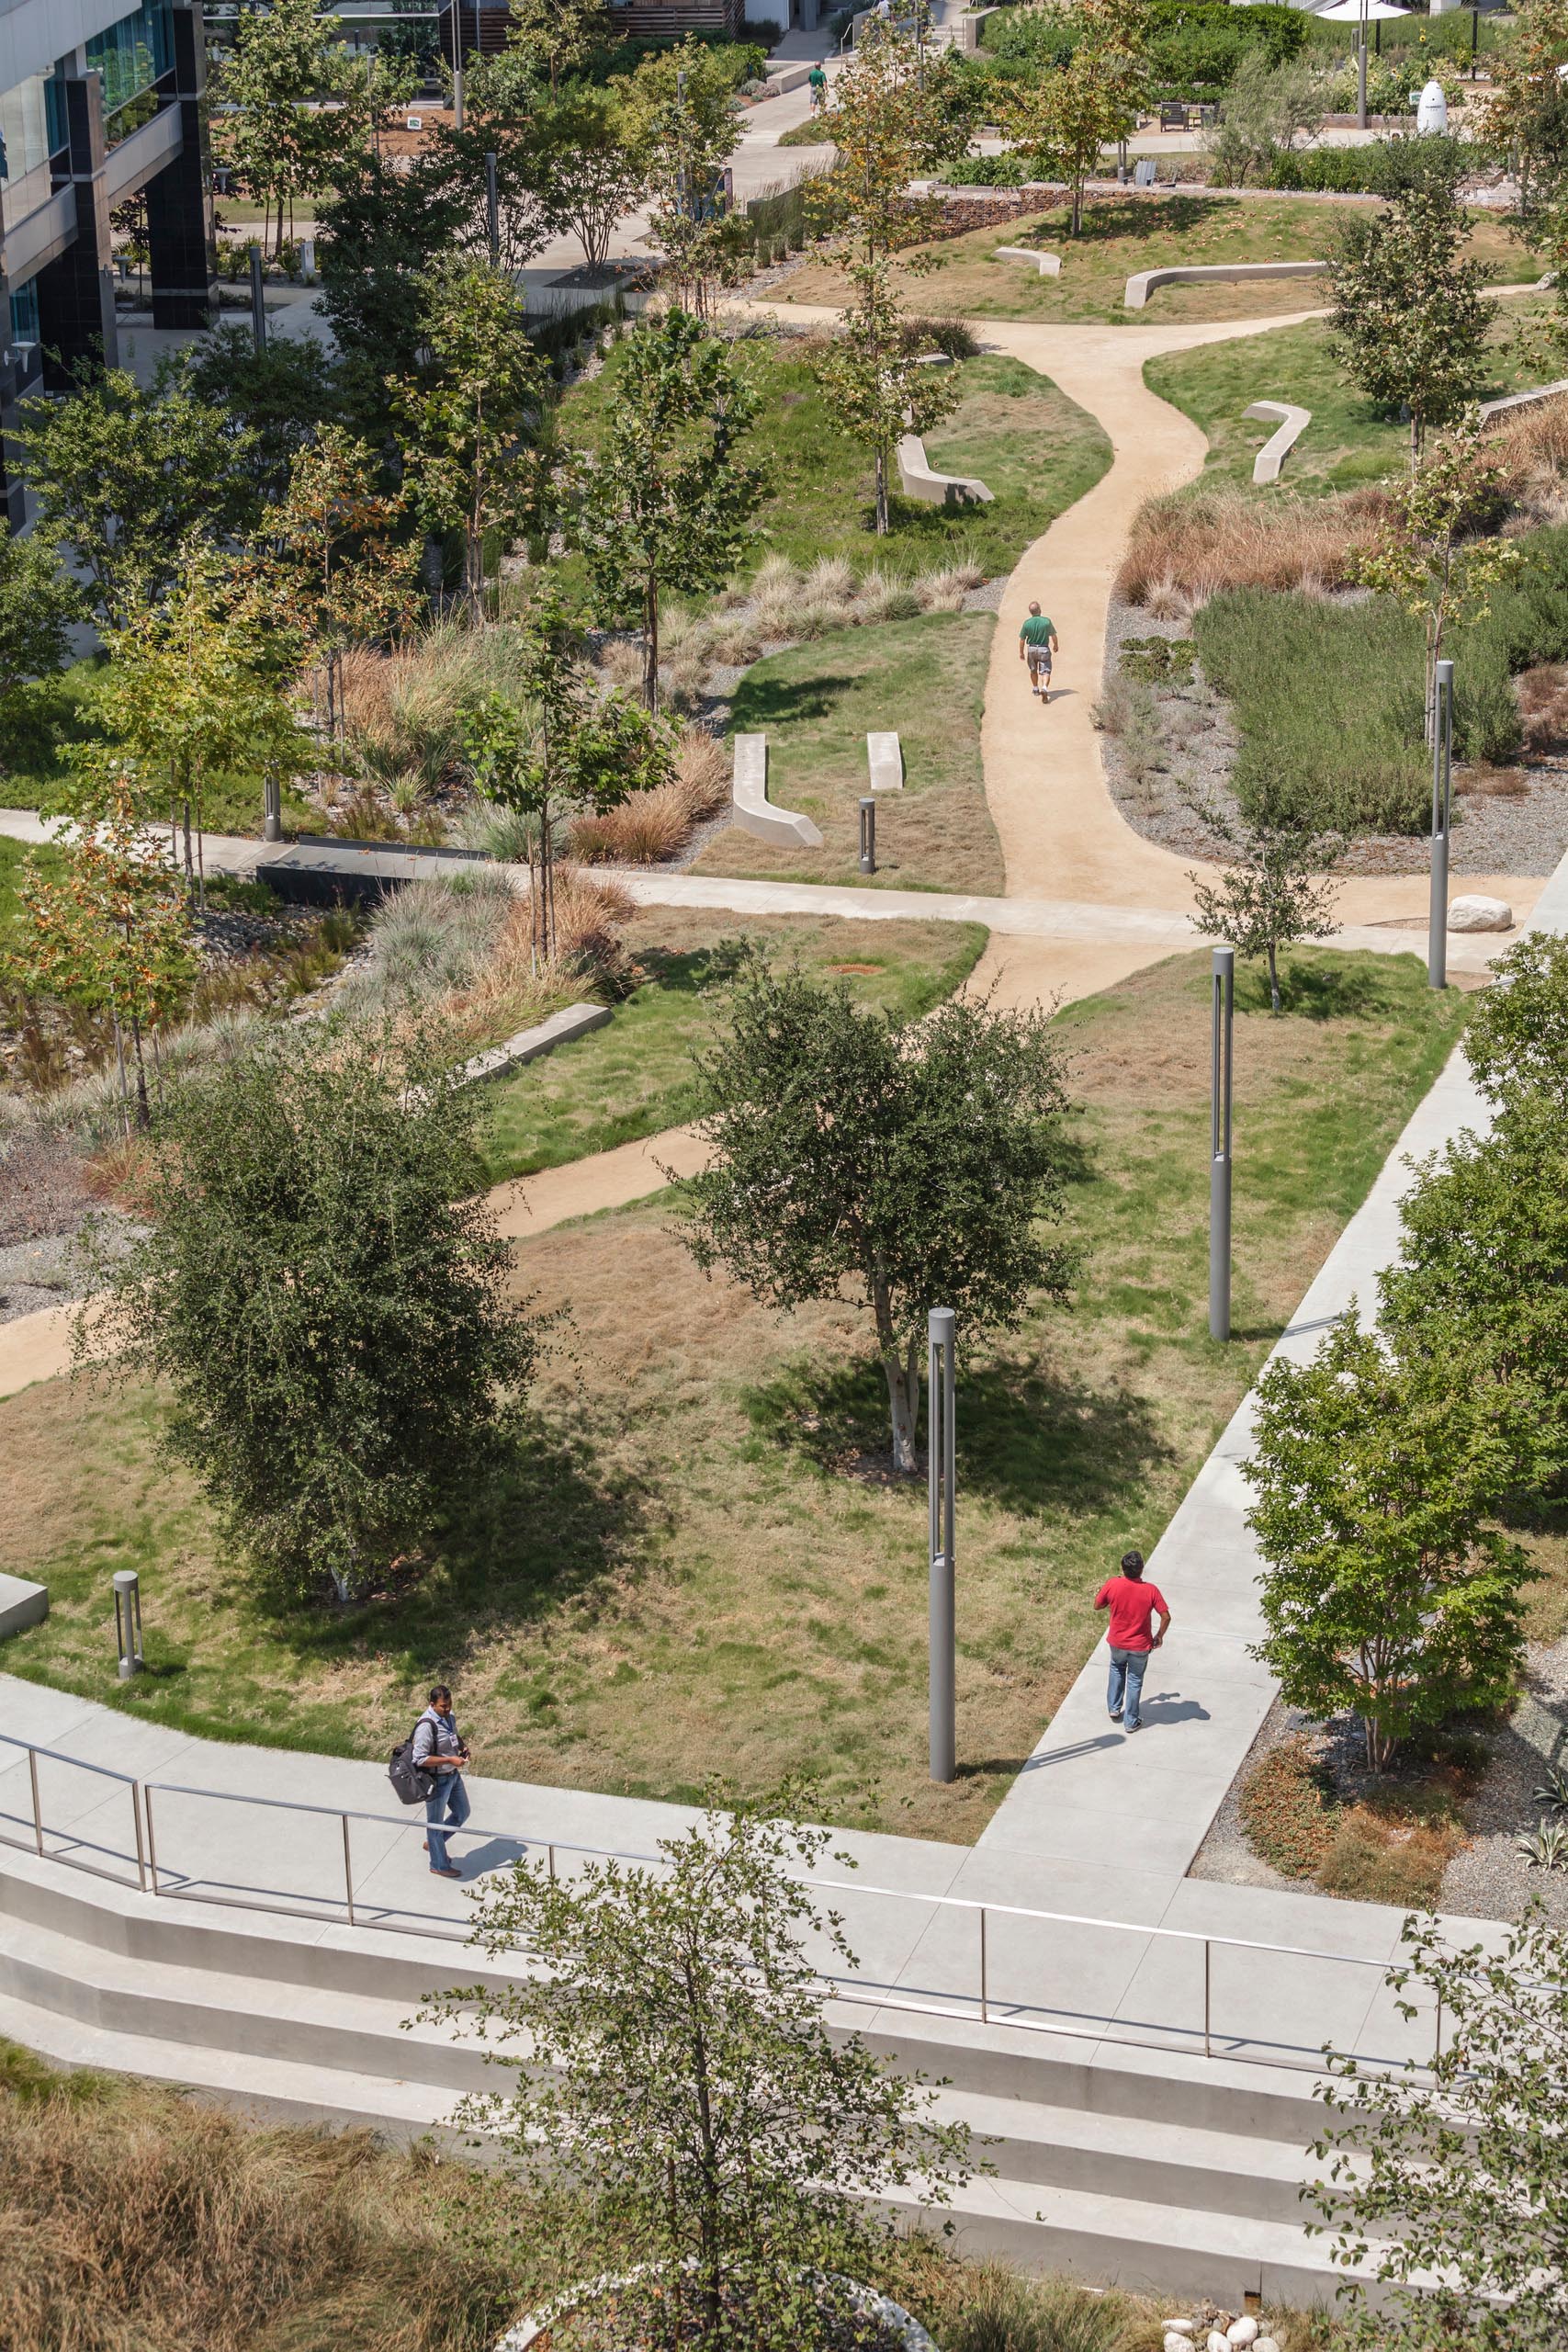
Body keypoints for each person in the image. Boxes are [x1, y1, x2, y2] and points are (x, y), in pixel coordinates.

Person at [1092, 1549, 1170, 1736]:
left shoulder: (1113, 1584)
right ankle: (1131, 1721)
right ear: (1141, 1569)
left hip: (1117, 1642)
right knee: (1135, 1680)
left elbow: (1097, 1605)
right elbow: (1166, 1616)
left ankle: (1114, 1707)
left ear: (1123, 1568)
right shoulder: (1151, 1590)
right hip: (1140, 1645)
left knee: (1117, 1668)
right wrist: (1159, 1636)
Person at [412, 1683, 470, 1876]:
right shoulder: (426, 1726)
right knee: (435, 1823)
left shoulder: (448, 1717)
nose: (448, 1709)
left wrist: (462, 1747)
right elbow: (419, 1758)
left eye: (450, 1704)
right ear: (432, 1704)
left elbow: (452, 1736)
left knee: (462, 1812)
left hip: (453, 1775)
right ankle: (438, 1865)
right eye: (443, 1706)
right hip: (438, 1781)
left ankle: (434, 1842)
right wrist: (449, 1759)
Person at [1018, 603, 1058, 702]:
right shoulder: (1046, 622)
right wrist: (1056, 645)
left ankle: (1036, 689)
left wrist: (1021, 652)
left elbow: (1022, 639)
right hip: (1043, 649)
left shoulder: (1027, 623)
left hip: (1031, 649)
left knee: (1033, 670)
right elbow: (1053, 635)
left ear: (1030, 612)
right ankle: (1044, 687)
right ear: (1039, 610)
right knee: (1046, 671)